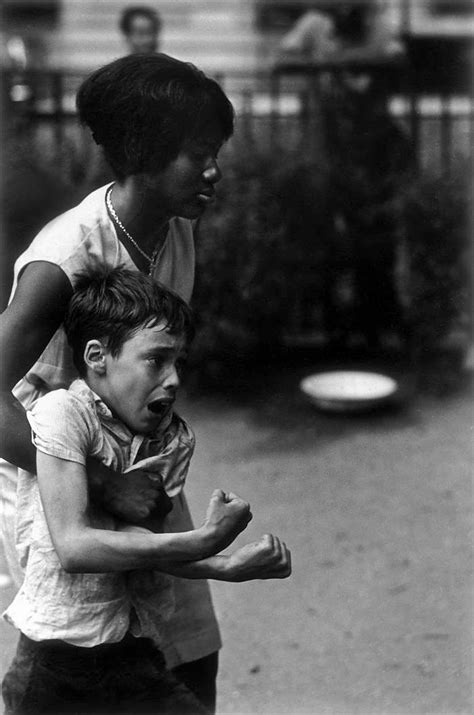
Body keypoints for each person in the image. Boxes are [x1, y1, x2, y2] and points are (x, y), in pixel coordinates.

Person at [0, 52, 235, 711]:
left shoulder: (176, 232)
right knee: (93, 676)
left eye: (216, 151)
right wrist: (106, 484)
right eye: (197, 153)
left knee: (192, 650)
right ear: (144, 152)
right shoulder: (65, 259)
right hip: (55, 480)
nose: (214, 169)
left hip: (137, 472)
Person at [2, 267, 291, 715]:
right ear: (97, 356)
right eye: (156, 360)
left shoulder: (172, 438)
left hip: (134, 651)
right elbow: (74, 548)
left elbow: (140, 543)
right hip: (57, 663)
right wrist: (204, 542)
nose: (173, 379)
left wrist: (223, 565)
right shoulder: (62, 414)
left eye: (180, 363)